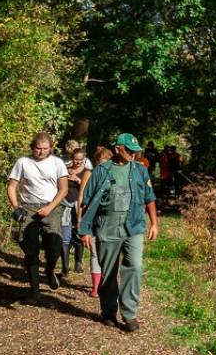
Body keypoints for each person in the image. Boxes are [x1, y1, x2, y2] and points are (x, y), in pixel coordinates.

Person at [79, 133, 158, 331]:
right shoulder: (101, 171)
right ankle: (108, 311)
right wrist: (85, 230)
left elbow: (149, 198)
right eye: (129, 150)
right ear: (117, 149)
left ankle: (129, 314)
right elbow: (86, 202)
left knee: (135, 266)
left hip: (134, 226)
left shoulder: (140, 171)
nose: (133, 154)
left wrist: (154, 223)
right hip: (107, 226)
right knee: (108, 272)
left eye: (135, 151)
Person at [7, 132, 68, 301]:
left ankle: (49, 272)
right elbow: (12, 186)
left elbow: (64, 189)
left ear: (51, 148)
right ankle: (35, 291)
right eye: (38, 149)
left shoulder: (57, 163)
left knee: (54, 246)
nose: (41, 152)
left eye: (45, 149)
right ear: (32, 148)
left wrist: (50, 207)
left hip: (52, 207)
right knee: (30, 249)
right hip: (29, 208)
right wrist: (16, 207)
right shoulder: (23, 162)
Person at [78, 146, 112, 298]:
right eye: (100, 163)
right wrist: (81, 219)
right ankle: (96, 287)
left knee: (110, 253)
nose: (103, 166)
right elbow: (82, 198)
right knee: (94, 252)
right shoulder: (90, 174)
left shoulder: (116, 175)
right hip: (92, 217)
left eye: (106, 162)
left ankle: (107, 281)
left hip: (110, 219)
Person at [59, 147, 88, 279]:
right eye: (76, 159)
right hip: (65, 205)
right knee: (65, 237)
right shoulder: (64, 170)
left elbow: (88, 189)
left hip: (79, 206)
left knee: (78, 234)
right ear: (72, 158)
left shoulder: (86, 172)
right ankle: (65, 268)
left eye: (81, 160)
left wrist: (77, 180)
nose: (78, 162)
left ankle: (78, 262)